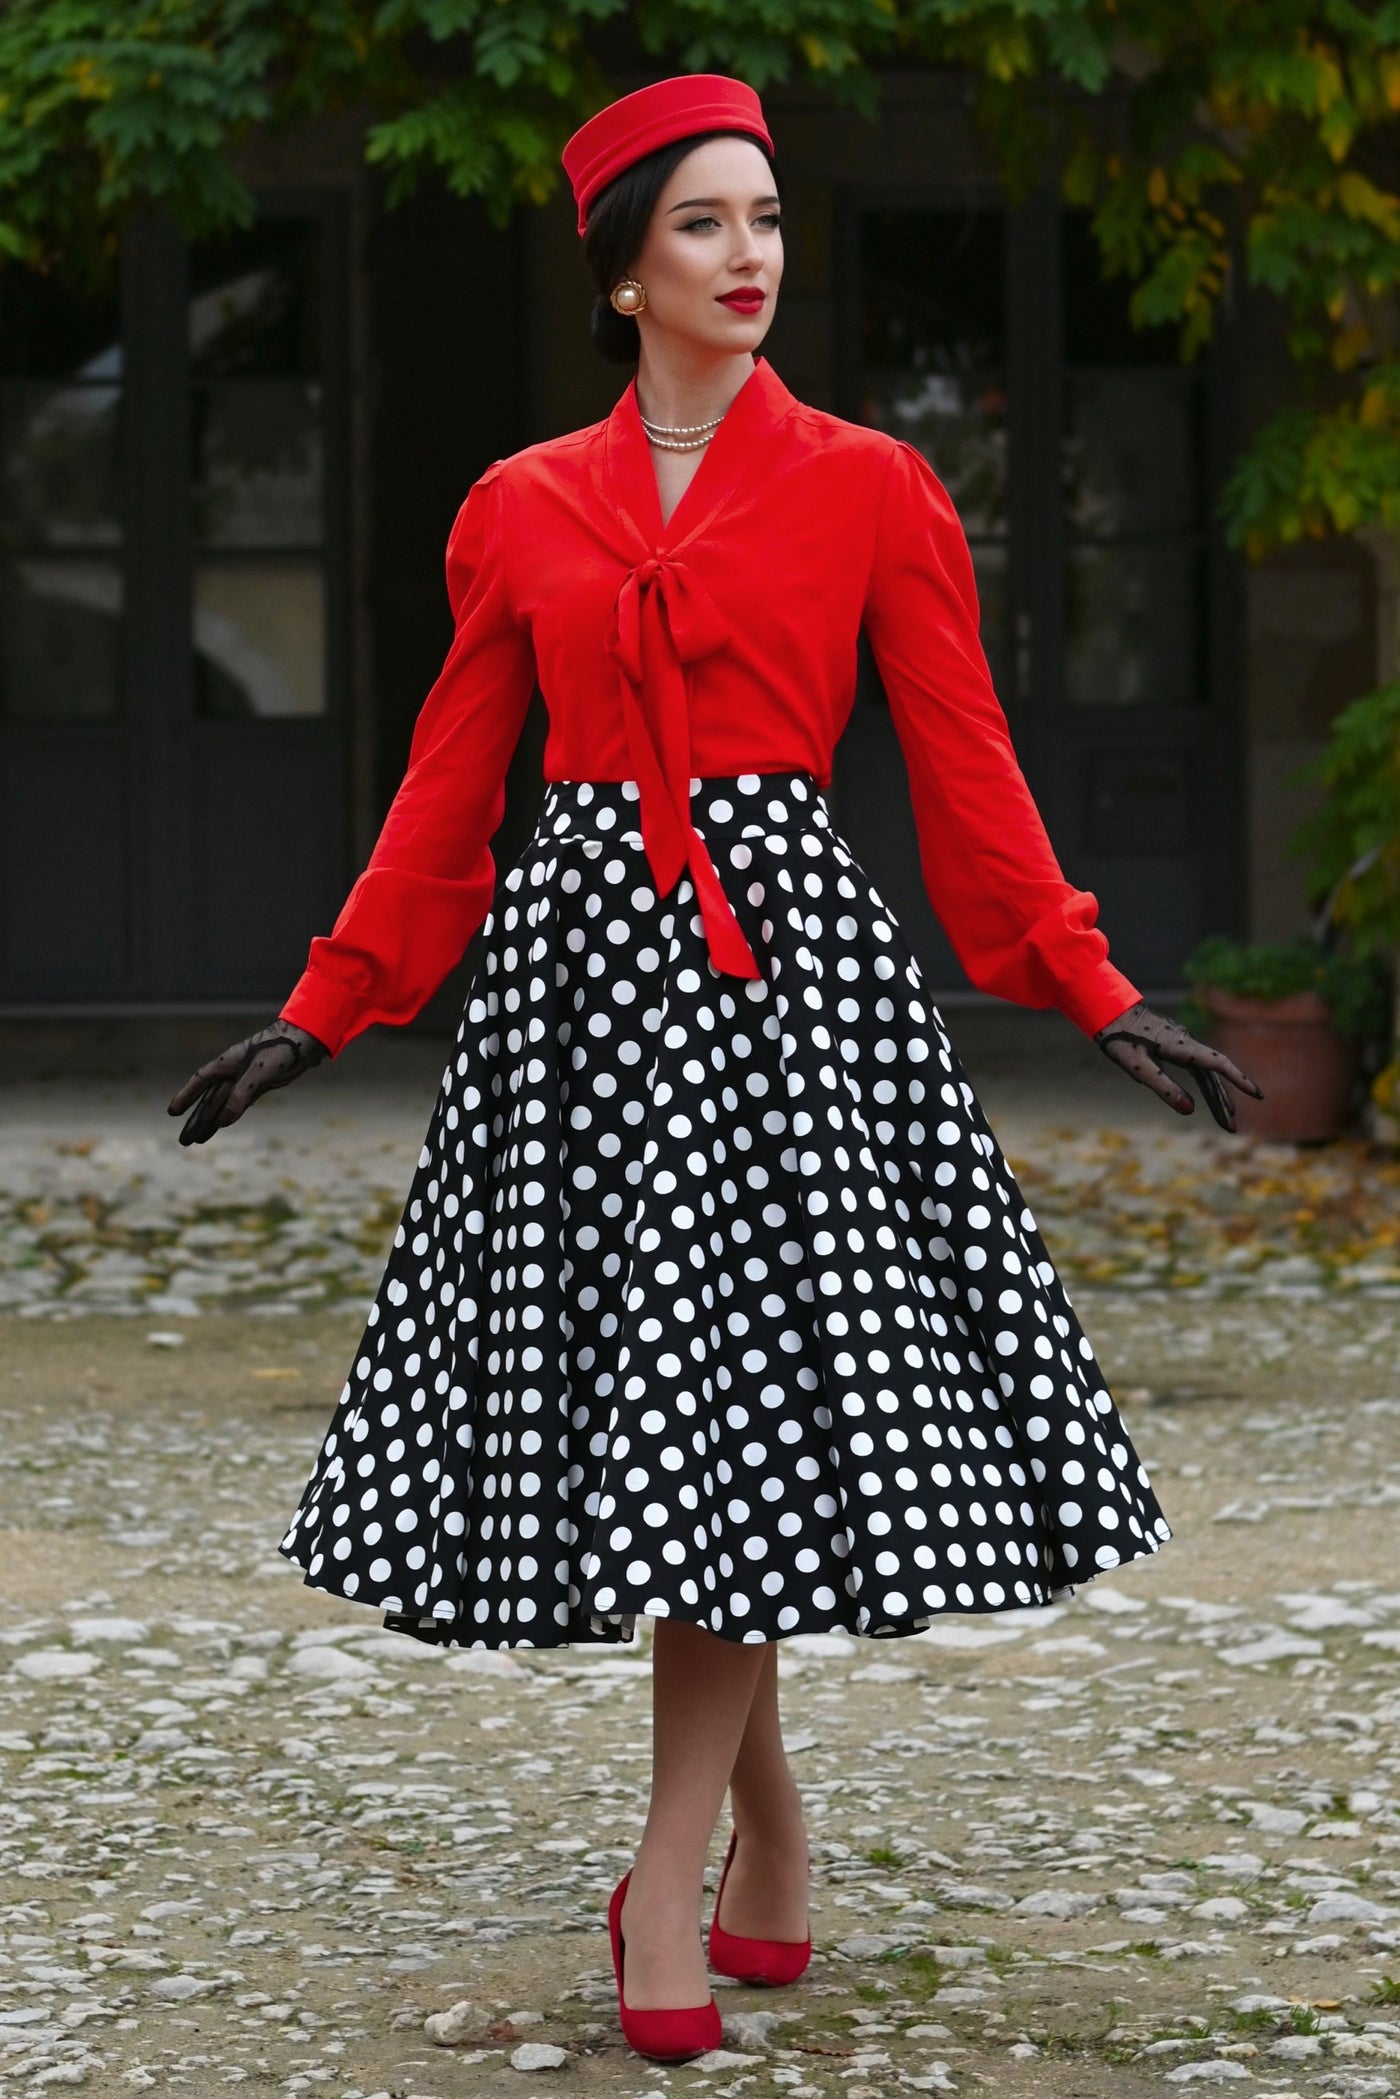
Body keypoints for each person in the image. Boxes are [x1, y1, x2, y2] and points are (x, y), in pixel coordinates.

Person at [167, 73, 1263, 2065]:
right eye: (702, 222)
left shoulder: (873, 487)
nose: (749, 254)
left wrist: (1091, 986)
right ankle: (770, 1830)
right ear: (621, 271)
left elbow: (966, 763)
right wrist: (323, 1006)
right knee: (681, 1443)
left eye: (764, 216)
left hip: (791, 998)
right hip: (581, 1004)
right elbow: (447, 790)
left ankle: (664, 1874)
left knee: (736, 1426)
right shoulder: (519, 505)